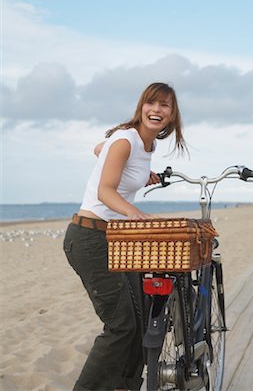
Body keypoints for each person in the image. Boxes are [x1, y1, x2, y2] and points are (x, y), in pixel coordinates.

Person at [63, 82, 187, 391]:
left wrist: (140, 172)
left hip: (116, 242)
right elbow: (105, 190)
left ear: (172, 116)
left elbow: (98, 150)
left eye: (165, 106)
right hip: (89, 239)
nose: (157, 110)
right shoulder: (126, 139)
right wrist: (136, 213)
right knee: (120, 326)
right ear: (141, 106)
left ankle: (125, 386)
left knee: (141, 322)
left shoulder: (147, 146)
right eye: (152, 103)